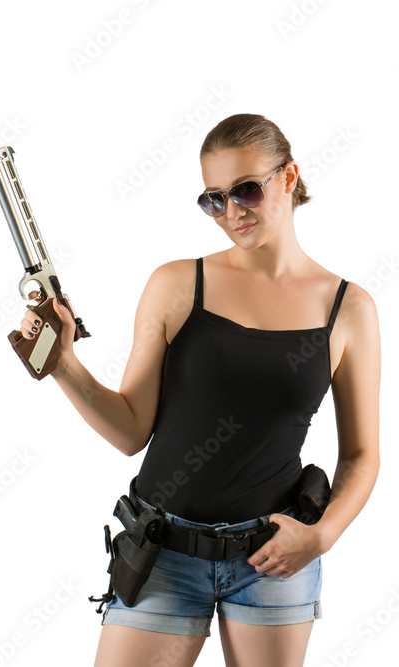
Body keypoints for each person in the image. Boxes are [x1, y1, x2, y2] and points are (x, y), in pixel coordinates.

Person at [19, 114, 380, 667]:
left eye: (247, 191)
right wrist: (65, 364)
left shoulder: (349, 310)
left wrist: (321, 536)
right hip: (162, 551)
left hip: (273, 557)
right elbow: (130, 430)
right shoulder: (176, 285)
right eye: (214, 199)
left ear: (289, 178)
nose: (232, 213)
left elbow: (361, 454)